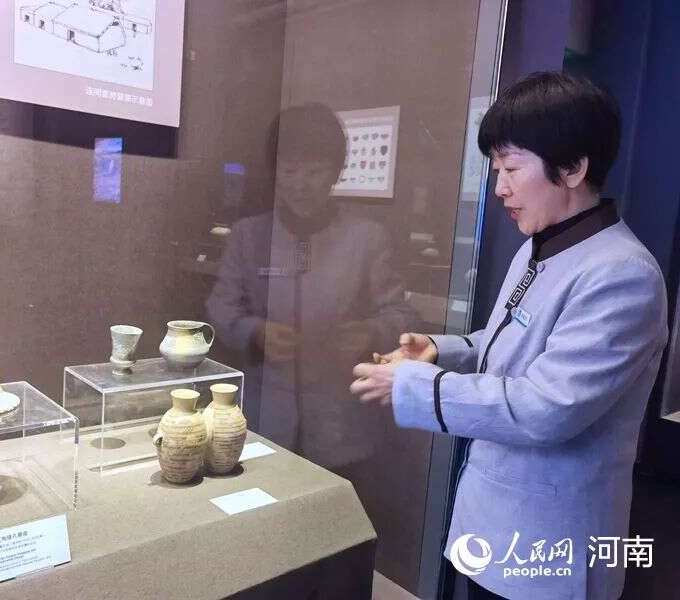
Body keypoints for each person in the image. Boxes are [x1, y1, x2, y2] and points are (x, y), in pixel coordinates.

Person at [350, 72, 668, 599]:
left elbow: (547, 406)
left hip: (551, 538)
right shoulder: (541, 247)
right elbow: (513, 343)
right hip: (494, 520)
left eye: (512, 168)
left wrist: (414, 385)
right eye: (497, 169)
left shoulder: (622, 275)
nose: (499, 187)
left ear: (573, 167)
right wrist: (442, 350)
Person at [207, 103, 413, 472]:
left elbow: (399, 313)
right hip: (266, 415)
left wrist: (369, 332)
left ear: (336, 171)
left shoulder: (366, 238)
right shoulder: (248, 235)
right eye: (289, 170)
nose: (300, 184)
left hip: (342, 420)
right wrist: (255, 332)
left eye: (314, 171)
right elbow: (221, 306)